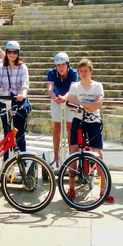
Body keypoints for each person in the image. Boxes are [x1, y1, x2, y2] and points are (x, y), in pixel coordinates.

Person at [67, 58, 113, 203]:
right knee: (73, 153)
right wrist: (88, 105)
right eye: (81, 71)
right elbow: (71, 106)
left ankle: (103, 190)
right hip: (78, 121)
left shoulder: (97, 86)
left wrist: (81, 104)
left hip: (94, 121)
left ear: (90, 71)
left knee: (98, 155)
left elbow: (98, 105)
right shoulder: (75, 86)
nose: (83, 74)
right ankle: (71, 188)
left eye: (85, 71)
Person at [0, 40, 31, 153]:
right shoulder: (2, 67)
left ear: (18, 53)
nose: (12, 55)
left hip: (17, 102)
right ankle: (6, 159)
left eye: (14, 52)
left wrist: (22, 94)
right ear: (6, 53)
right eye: (9, 52)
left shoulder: (22, 67)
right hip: (5, 101)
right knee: (7, 132)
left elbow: (25, 83)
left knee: (19, 132)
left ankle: (23, 159)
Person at [47, 52, 78, 167]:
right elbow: (50, 89)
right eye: (58, 65)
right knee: (57, 128)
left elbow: (73, 89)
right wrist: (55, 98)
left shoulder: (73, 73)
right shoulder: (51, 73)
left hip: (69, 100)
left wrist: (65, 97)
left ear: (67, 65)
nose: (60, 68)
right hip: (56, 100)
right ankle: (56, 158)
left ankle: (70, 158)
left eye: (63, 65)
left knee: (70, 128)